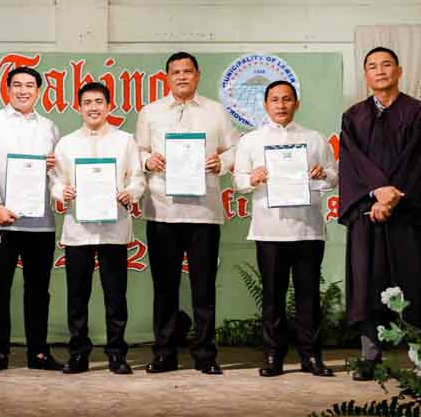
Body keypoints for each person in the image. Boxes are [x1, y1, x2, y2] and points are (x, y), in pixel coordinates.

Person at [338, 47, 421, 381]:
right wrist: (374, 196)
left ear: (398, 71)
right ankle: (370, 356)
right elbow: (352, 163)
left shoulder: (419, 114)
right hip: (367, 214)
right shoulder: (353, 116)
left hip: (408, 215)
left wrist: (390, 198)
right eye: (372, 66)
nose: (380, 71)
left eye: (386, 65)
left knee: (417, 283)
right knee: (366, 284)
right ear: (366, 75)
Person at [135, 51, 240, 374]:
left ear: (197, 75)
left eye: (187, 72)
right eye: (175, 72)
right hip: (162, 211)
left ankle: (205, 355)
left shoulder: (216, 111)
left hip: (203, 213)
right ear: (166, 77)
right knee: (164, 287)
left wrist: (220, 162)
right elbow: (136, 149)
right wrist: (146, 161)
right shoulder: (150, 112)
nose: (182, 77)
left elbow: (236, 147)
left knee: (203, 288)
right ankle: (164, 352)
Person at [233, 80, 337, 377]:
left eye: (287, 99)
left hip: (308, 229)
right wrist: (253, 177)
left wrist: (322, 173)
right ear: (265, 105)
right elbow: (239, 181)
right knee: (272, 297)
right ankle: (273, 357)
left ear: (296, 103)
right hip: (270, 231)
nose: (281, 105)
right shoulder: (251, 140)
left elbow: (333, 176)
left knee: (309, 297)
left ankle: (311, 357)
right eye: (275, 100)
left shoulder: (315, 138)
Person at [50, 82, 146, 375]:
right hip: (78, 228)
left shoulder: (125, 140)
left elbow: (138, 178)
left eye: (99, 102)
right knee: (77, 296)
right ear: (79, 107)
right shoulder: (66, 143)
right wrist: (60, 192)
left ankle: (117, 353)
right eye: (88, 102)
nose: (93, 107)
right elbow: (55, 180)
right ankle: (78, 353)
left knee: (115, 295)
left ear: (108, 107)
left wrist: (131, 193)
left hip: (113, 227)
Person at [0, 66, 62, 372]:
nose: (23, 90)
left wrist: (54, 167)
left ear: (39, 91)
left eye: (29, 86)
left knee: (39, 290)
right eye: (17, 85)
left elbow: (56, 174)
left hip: (41, 224)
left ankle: (38, 353)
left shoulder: (50, 127)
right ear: (8, 89)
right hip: (1, 220)